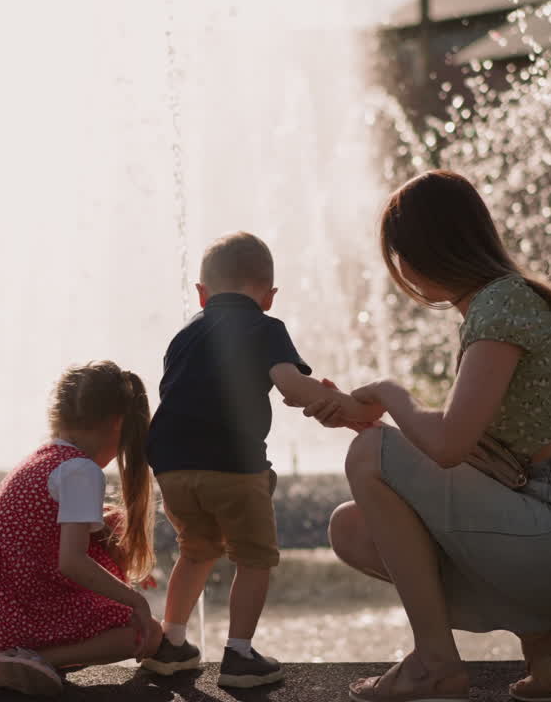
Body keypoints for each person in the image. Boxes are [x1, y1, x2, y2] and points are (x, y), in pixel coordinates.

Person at [299, 171, 551, 702]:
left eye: (399, 257)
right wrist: (361, 411)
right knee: (354, 527)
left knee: (369, 453)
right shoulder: (504, 303)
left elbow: (449, 445)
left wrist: (389, 393)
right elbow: (449, 442)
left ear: (421, 252)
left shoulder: (503, 303)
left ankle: (435, 661)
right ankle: (548, 633)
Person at [140, 231, 381, 688]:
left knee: (195, 549)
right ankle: (239, 656)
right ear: (269, 297)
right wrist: (350, 412)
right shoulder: (265, 328)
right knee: (254, 558)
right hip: (232, 464)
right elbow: (290, 387)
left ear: (202, 293)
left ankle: (171, 644)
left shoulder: (184, 334)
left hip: (172, 467)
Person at [0, 361, 162, 697]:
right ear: (118, 423)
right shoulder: (82, 470)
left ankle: (15, 657)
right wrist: (136, 602)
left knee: (110, 521)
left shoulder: (44, 457)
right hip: (27, 604)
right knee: (145, 634)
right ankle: (36, 659)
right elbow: (71, 561)